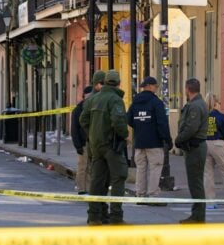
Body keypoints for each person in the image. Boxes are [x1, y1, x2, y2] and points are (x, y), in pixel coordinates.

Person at [79, 70, 129, 226]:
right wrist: (125, 134)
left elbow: (83, 119)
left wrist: (93, 133)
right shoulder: (115, 100)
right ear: (119, 83)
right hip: (111, 145)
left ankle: (94, 216)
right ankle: (116, 216)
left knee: (97, 180)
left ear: (106, 82)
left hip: (96, 145)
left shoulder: (92, 99)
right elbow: (118, 121)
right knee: (118, 178)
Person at [127, 76, 171, 205]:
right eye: (156, 86)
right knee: (155, 168)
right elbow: (162, 123)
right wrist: (167, 139)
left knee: (141, 168)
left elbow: (128, 119)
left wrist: (139, 126)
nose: (156, 89)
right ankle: (153, 196)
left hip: (139, 141)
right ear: (150, 86)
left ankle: (140, 194)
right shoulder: (156, 102)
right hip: (154, 142)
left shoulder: (135, 101)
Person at [175, 78, 208, 224]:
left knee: (195, 183)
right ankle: (196, 214)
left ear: (187, 89)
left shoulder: (195, 106)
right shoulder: (195, 104)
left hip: (195, 147)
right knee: (195, 182)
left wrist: (179, 139)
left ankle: (198, 216)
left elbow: (191, 127)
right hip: (194, 147)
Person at [71, 85, 94, 194]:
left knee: (90, 167)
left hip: (92, 142)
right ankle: (81, 188)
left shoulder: (94, 108)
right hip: (83, 142)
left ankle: (88, 188)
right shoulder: (78, 110)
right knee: (82, 167)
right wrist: (78, 145)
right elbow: (74, 129)